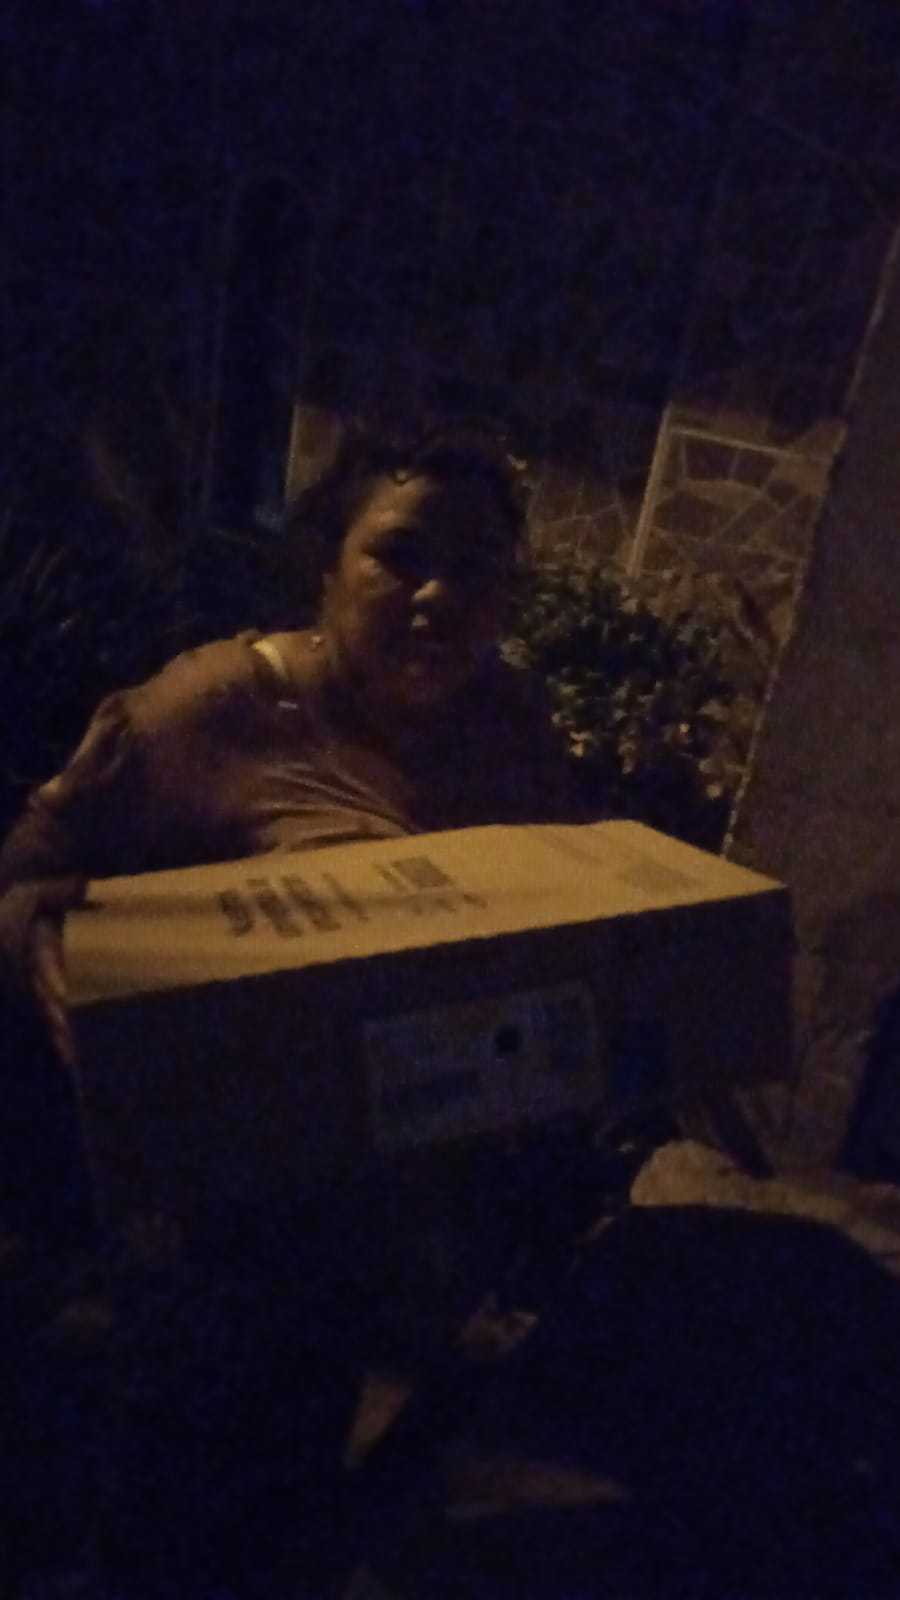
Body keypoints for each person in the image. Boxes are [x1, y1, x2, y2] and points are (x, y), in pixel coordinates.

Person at [0, 420, 581, 1075]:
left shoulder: (511, 725)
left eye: (475, 566)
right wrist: (43, 949)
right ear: (328, 568)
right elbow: (25, 874)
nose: (441, 595)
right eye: (400, 555)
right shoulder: (217, 708)